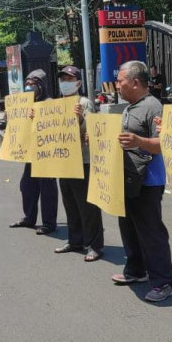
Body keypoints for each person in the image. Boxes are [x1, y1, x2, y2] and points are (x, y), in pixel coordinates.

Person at [111, 61, 172, 302]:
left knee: (151, 233)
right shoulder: (129, 107)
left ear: (136, 82)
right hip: (128, 179)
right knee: (128, 228)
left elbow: (163, 144)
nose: (117, 85)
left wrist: (138, 141)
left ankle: (163, 282)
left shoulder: (153, 107)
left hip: (148, 180)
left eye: (121, 81)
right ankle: (136, 270)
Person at [54, 65, 104, 262]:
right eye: (63, 79)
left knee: (87, 205)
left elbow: (91, 132)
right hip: (64, 161)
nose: (65, 82)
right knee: (70, 203)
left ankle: (95, 245)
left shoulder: (84, 103)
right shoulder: (57, 105)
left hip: (83, 161)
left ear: (78, 83)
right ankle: (75, 240)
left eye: (69, 78)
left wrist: (79, 117)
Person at [9, 69, 58, 235]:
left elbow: (53, 127)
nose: (29, 87)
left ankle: (49, 223)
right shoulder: (27, 103)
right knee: (27, 186)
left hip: (46, 155)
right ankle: (29, 218)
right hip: (31, 153)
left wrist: (36, 117)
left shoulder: (49, 102)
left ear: (41, 85)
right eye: (27, 84)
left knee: (47, 190)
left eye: (32, 84)